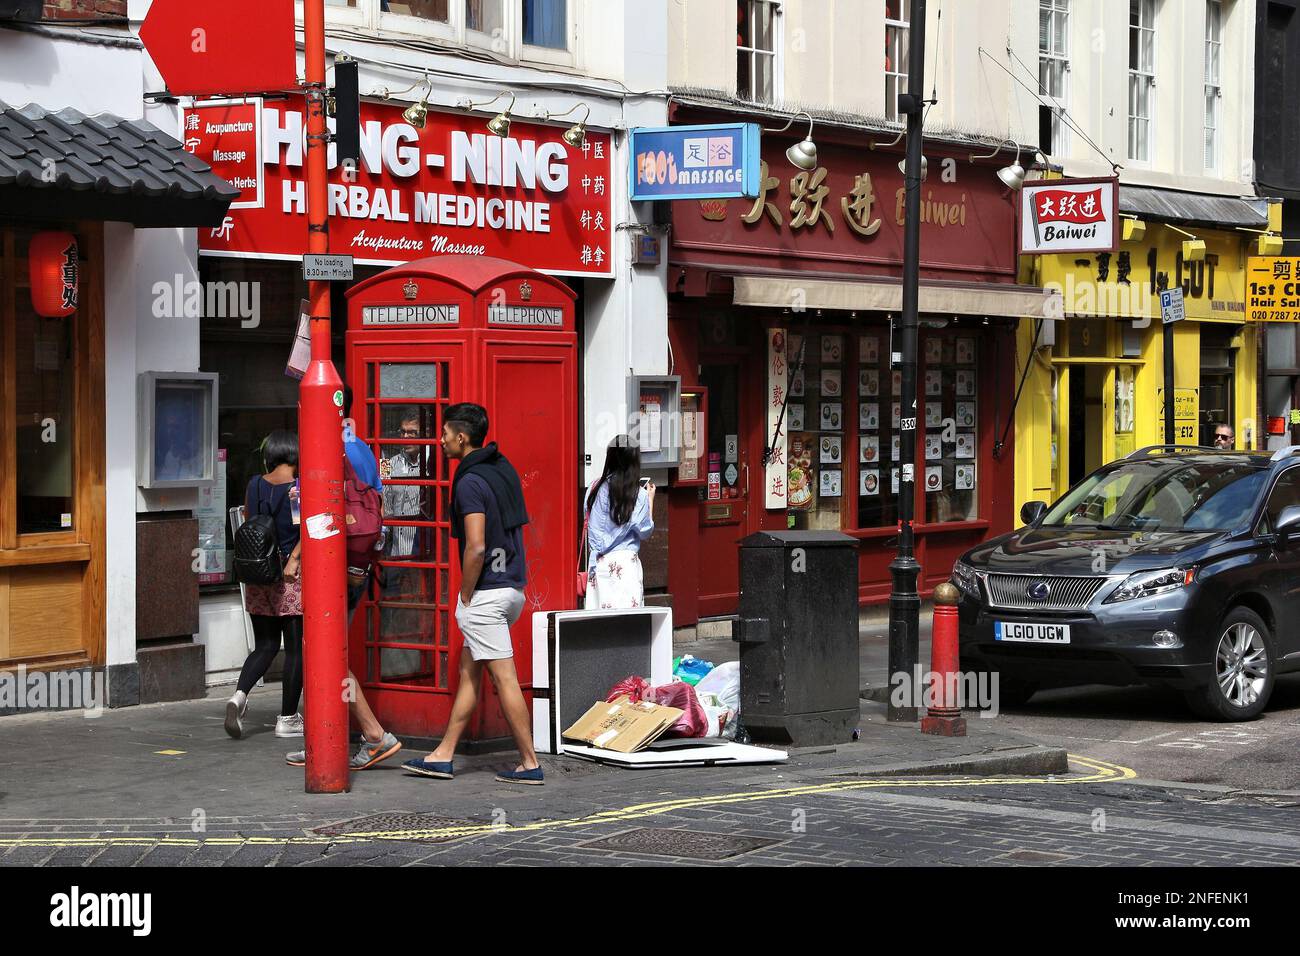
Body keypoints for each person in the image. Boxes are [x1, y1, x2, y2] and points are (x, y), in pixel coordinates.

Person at [402, 403, 542, 785]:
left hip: (487, 595)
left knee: (505, 679)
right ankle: (443, 754)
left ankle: (529, 764)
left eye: (445, 433)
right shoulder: (502, 467)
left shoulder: (469, 482)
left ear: (461, 438)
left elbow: (476, 545)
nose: (441, 439)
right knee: (469, 675)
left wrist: (464, 594)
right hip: (512, 587)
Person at [284, 387, 402, 771]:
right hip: (360, 561)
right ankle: (326, 733)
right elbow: (379, 500)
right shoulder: (362, 447)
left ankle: (371, 735)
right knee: (331, 647)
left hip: (333, 560)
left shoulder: (326, 445)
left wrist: (297, 556)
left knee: (324, 648)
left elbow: (316, 512)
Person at [225, 430, 304, 740]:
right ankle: (287, 718)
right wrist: (294, 559)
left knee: (266, 645)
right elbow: (302, 529)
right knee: (295, 649)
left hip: (259, 574)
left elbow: (249, 520)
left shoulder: (255, 484)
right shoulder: (296, 490)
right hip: (289, 576)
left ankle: (239, 696)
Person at [584, 436, 656, 610]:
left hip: (599, 564)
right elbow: (645, 530)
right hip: (626, 566)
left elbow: (589, 524)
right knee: (628, 625)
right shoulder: (638, 495)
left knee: (601, 626)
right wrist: (650, 501)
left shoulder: (594, 488)